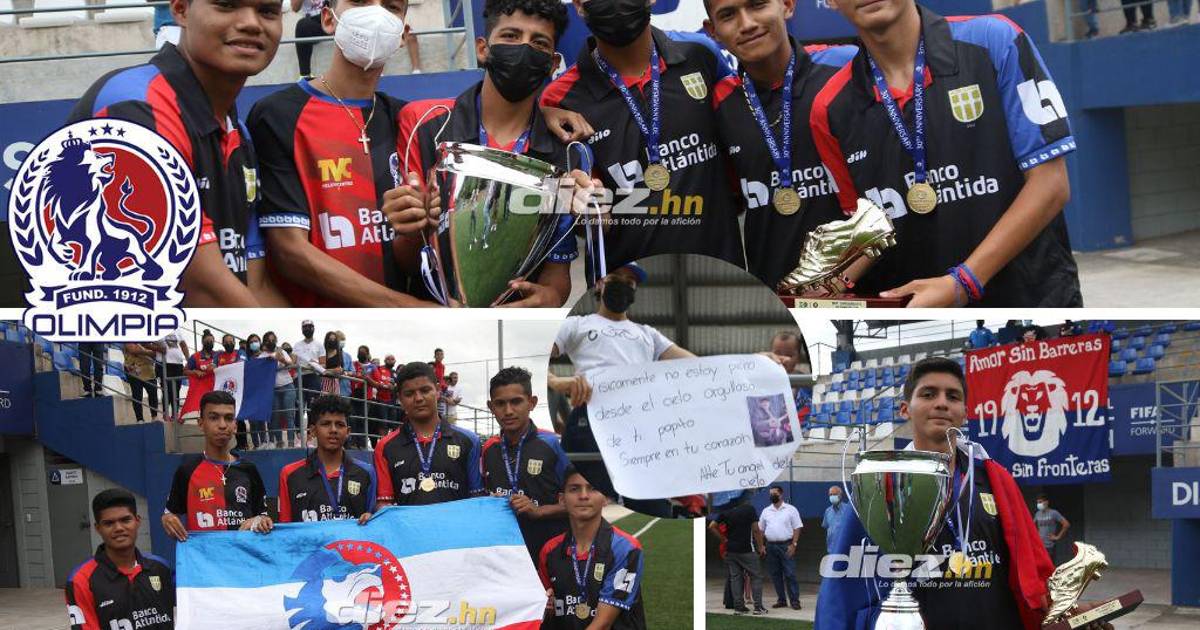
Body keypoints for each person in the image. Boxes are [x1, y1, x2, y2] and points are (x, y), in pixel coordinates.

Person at [813, 1, 1081, 307]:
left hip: (1033, 304)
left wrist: (964, 281)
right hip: (919, 312)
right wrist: (824, 285)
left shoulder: (994, 41)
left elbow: (1051, 184)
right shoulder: (829, 108)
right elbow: (867, 228)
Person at [816, 357, 1113, 630]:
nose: (942, 403)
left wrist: (1066, 611)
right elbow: (843, 590)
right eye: (928, 394)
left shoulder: (995, 480)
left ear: (965, 413)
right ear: (905, 409)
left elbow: (1031, 571)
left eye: (953, 396)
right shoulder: (880, 484)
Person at [69, 0, 288, 307]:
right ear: (181, 10)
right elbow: (202, 286)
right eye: (226, 5)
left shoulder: (240, 133)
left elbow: (255, 283)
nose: (252, 23)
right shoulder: (136, 105)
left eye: (267, 11)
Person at [393, 0, 589, 307]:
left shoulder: (566, 154)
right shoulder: (426, 125)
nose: (523, 48)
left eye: (539, 43)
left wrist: (549, 297)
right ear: (483, 49)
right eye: (511, 36)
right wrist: (413, 227)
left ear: (553, 63)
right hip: (435, 319)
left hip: (514, 325)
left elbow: (557, 272)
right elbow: (405, 261)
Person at [250, 0, 443, 308]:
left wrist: (418, 228)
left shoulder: (408, 120)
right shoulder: (277, 116)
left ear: (402, 34)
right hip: (321, 319)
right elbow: (289, 252)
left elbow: (414, 254)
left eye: (391, 6)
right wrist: (405, 307)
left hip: (401, 320)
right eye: (360, 1)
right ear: (329, 19)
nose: (376, 14)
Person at [540, 0, 745, 271]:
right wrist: (585, 207)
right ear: (578, 4)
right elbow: (581, 212)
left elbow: (746, 132)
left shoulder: (701, 54)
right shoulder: (558, 99)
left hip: (723, 276)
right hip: (626, 288)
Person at [703, 0, 857, 288]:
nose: (747, 24)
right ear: (713, 31)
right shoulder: (718, 103)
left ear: (787, 5)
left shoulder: (845, 67)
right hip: (775, 290)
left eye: (757, 5)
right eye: (728, 15)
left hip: (860, 285)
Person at [548, 262, 694, 512]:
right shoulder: (577, 325)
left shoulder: (648, 334)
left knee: (653, 505)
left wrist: (753, 361)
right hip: (590, 422)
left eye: (629, 282)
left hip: (639, 427)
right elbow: (533, 355)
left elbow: (696, 364)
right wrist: (556, 381)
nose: (622, 285)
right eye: (615, 278)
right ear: (599, 284)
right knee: (590, 499)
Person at [538, 466, 646, 629]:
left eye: (593, 488)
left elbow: (603, 624)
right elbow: (545, 610)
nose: (583, 496)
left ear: (605, 498)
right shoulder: (549, 550)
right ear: (562, 499)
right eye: (574, 489)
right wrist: (546, 606)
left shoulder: (626, 548)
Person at [483, 366, 570, 561]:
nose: (508, 411)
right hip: (506, 556)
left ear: (532, 402)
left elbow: (582, 503)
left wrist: (538, 511)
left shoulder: (555, 445)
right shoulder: (488, 449)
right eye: (500, 403)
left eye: (516, 402)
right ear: (491, 407)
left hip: (551, 556)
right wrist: (490, 502)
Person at [162, 391, 273, 540]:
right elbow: (170, 514)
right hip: (203, 554)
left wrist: (259, 520)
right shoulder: (187, 471)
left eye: (229, 418)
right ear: (201, 423)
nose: (222, 425)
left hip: (242, 554)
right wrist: (167, 519)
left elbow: (264, 516)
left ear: (235, 425)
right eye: (214, 418)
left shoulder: (249, 470)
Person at [373, 362, 483, 506]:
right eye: (409, 394)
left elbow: (478, 499)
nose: (418, 398)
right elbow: (384, 504)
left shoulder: (469, 441)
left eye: (425, 390)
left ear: (437, 390)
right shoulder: (385, 447)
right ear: (399, 398)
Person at [66, 489, 174, 630]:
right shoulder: (81, 579)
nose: (118, 528)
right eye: (109, 523)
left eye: (125, 520)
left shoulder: (161, 567)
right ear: (98, 528)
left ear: (138, 521)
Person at [278, 395, 375, 523]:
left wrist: (372, 519)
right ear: (313, 430)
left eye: (339, 424)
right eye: (326, 424)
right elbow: (285, 528)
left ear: (348, 432)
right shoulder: (289, 474)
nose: (333, 430)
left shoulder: (366, 473)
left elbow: (373, 522)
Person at [708, 499, 767, 615]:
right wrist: (761, 546)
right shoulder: (749, 509)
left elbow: (711, 526)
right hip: (747, 549)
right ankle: (758, 607)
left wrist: (724, 540)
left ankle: (739, 607)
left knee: (736, 578)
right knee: (756, 577)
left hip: (731, 550)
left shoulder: (726, 510)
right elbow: (756, 530)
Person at [759, 485, 802, 610]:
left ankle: (794, 600)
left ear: (781, 494)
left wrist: (794, 544)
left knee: (790, 573)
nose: (772, 496)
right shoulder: (766, 511)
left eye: (775, 494)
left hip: (786, 545)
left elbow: (797, 527)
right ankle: (781, 600)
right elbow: (761, 529)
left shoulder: (791, 509)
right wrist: (761, 545)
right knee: (775, 574)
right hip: (770, 546)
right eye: (771, 494)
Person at [261, 330, 298, 448]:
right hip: (273, 389)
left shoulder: (281, 351)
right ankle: (279, 443)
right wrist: (270, 361)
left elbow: (291, 365)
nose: (271, 342)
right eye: (268, 340)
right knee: (275, 417)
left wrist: (281, 359)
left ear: (276, 341)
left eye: (273, 340)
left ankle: (291, 443)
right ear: (264, 342)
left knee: (289, 415)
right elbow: (260, 372)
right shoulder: (262, 356)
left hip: (287, 385)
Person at [214, 333, 249, 449]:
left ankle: (243, 444)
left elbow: (241, 364)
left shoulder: (240, 352)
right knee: (227, 418)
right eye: (226, 342)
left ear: (234, 342)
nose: (228, 343)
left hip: (238, 390)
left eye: (231, 341)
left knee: (239, 417)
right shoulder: (219, 355)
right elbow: (213, 367)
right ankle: (228, 445)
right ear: (222, 343)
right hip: (224, 392)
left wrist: (224, 368)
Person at [154, 332, 188, 422]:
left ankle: (175, 414)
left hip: (178, 364)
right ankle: (166, 414)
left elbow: (183, 345)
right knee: (167, 389)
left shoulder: (177, 329)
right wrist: (158, 349)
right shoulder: (156, 328)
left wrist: (189, 361)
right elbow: (147, 344)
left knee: (176, 390)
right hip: (164, 363)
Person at [122, 342, 160, 422]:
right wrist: (148, 351)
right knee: (137, 395)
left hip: (149, 371)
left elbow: (155, 353)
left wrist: (143, 350)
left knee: (153, 393)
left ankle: (154, 416)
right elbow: (133, 349)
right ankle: (139, 419)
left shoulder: (148, 339)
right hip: (134, 371)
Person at [184, 331, 218, 416]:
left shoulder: (217, 355)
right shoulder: (195, 356)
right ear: (202, 342)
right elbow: (185, 371)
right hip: (201, 391)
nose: (209, 343)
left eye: (211, 341)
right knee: (204, 412)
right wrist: (195, 371)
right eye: (207, 341)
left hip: (215, 390)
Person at [294, 320, 325, 412]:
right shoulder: (297, 345)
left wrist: (314, 365)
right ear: (302, 329)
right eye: (305, 327)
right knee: (298, 406)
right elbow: (293, 362)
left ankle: (312, 422)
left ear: (313, 328)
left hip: (314, 377)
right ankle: (298, 422)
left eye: (309, 327)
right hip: (300, 377)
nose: (307, 329)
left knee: (313, 406)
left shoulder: (319, 345)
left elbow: (323, 364)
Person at [291, 0, 325, 78]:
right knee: (302, 25)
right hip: (312, 21)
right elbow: (294, 8)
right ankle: (305, 75)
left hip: (330, 16)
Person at [1035, 495, 1070, 566]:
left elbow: (1066, 524)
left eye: (1040, 502)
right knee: (1041, 566)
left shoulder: (1053, 513)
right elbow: (1032, 525)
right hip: (1040, 546)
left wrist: (1057, 537)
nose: (1038, 504)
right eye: (1038, 502)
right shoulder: (1037, 514)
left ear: (1046, 502)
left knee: (1050, 566)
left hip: (1050, 546)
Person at [821, 485, 849, 554]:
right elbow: (826, 527)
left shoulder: (848, 510)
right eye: (830, 495)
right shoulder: (828, 511)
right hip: (831, 549)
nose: (832, 496)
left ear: (840, 495)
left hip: (844, 549)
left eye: (834, 494)